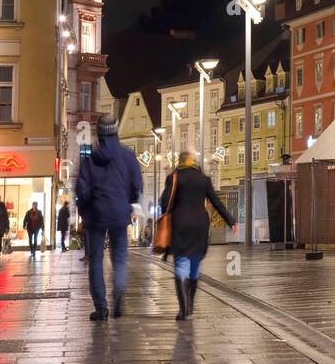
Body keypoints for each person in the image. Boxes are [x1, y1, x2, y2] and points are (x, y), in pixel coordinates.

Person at [75, 116, 143, 321]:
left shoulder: (90, 158)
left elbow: (82, 189)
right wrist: (128, 203)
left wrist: (84, 209)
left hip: (95, 215)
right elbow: (136, 185)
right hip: (119, 213)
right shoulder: (128, 156)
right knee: (119, 259)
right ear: (115, 131)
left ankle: (101, 307)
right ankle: (119, 292)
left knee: (95, 260)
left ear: (99, 133)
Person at [159, 151, 236, 321]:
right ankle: (191, 304)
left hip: (180, 225)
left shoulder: (174, 177)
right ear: (194, 162)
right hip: (200, 225)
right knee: (194, 265)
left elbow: (164, 202)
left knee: (181, 265)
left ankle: (183, 308)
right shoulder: (204, 179)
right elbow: (216, 202)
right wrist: (231, 220)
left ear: (180, 162)